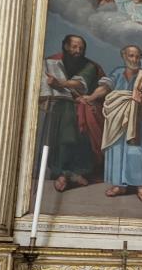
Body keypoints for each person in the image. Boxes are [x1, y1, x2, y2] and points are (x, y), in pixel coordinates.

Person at [82, 45, 142, 202]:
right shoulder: (117, 73)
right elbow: (105, 88)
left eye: (137, 56)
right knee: (117, 151)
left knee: (136, 152)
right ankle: (120, 185)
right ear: (124, 56)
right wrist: (91, 97)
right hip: (117, 120)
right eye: (131, 56)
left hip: (138, 121)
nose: (134, 59)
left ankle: (140, 186)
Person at [40, 35, 105, 192]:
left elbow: (79, 84)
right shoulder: (51, 62)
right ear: (65, 46)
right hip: (60, 105)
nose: (78, 51)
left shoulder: (89, 66)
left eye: (81, 48)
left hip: (83, 105)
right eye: (74, 47)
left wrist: (59, 83)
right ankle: (62, 173)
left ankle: (78, 171)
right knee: (64, 127)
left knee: (77, 129)